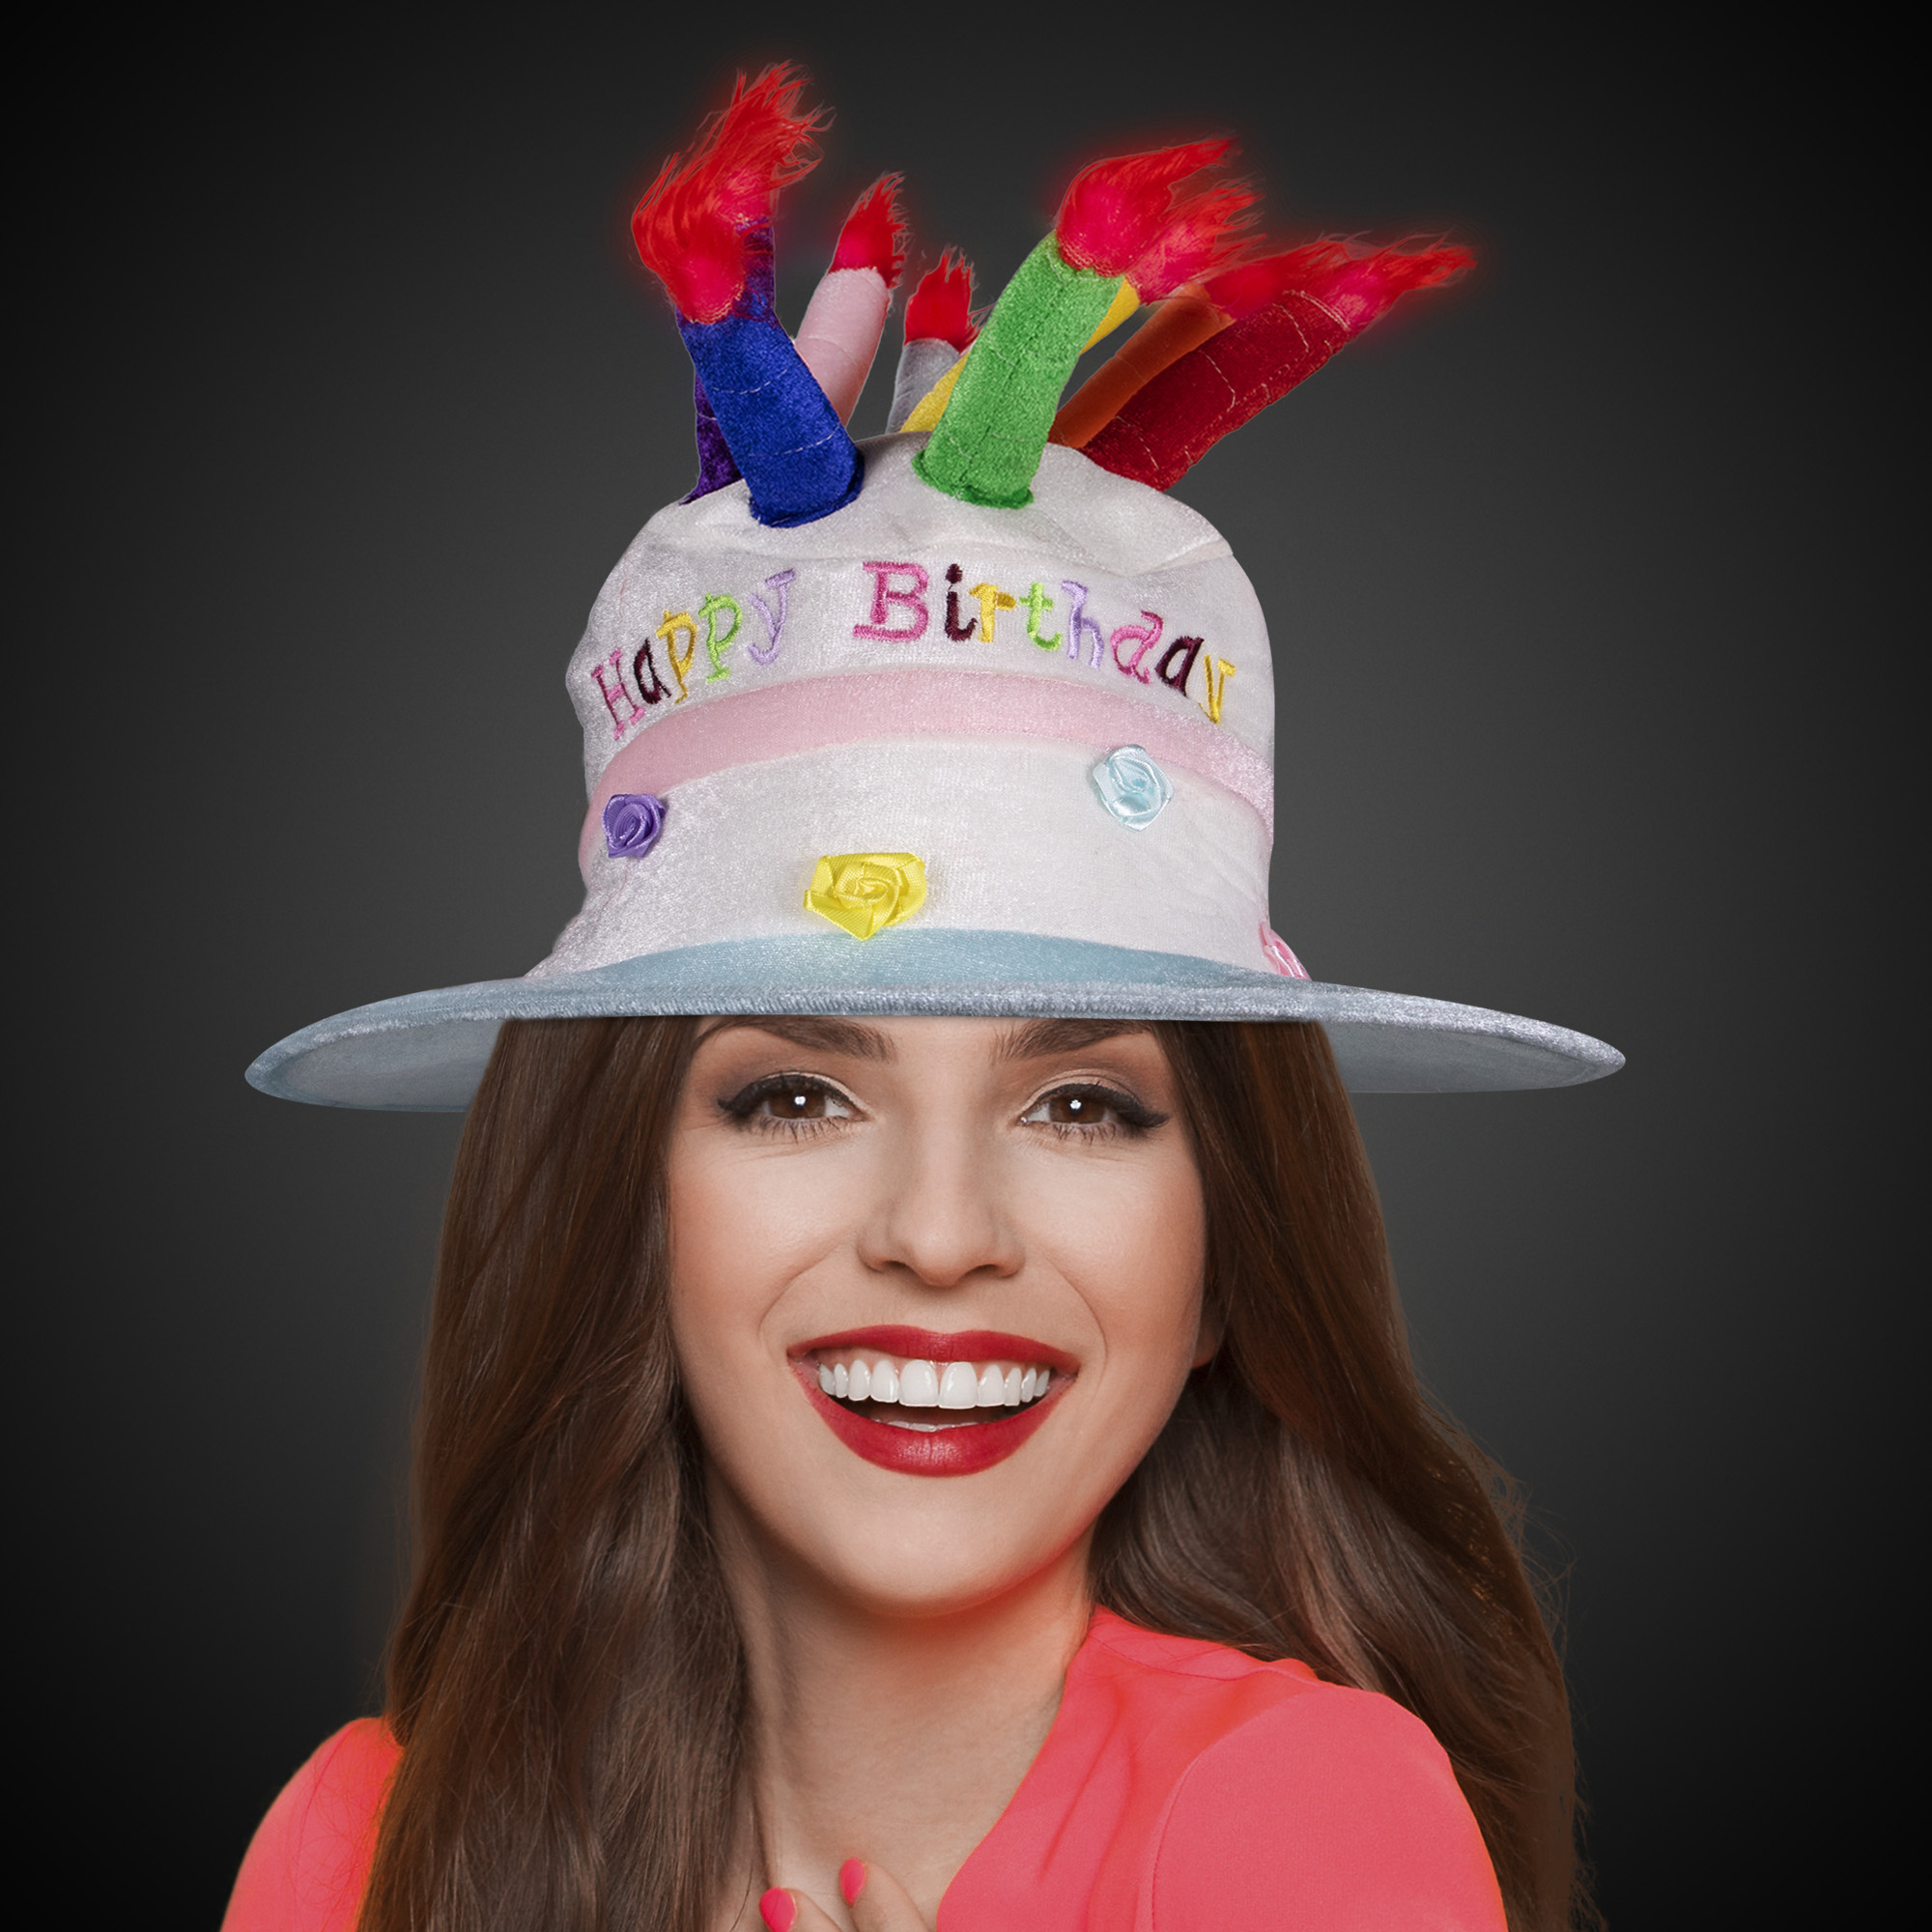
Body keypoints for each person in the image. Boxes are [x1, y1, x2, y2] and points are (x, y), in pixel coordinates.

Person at [225, 67, 1620, 1932]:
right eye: (794, 1095)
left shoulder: (1300, 1817)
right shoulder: (361, 1848)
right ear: (619, 1198)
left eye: (1084, 1104)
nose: (943, 1238)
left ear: (1225, 1262)